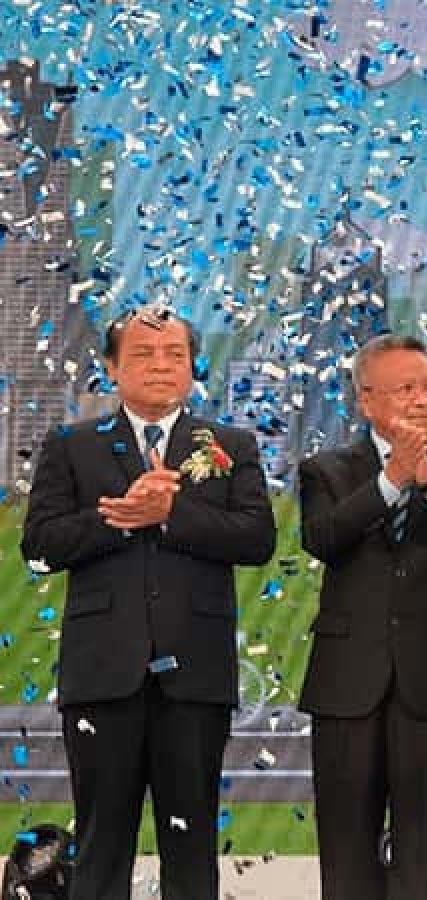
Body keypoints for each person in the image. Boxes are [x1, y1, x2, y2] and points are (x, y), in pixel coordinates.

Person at [21, 305, 276, 900]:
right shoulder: (72, 446)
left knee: (192, 850)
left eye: (174, 355)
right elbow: (40, 547)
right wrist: (122, 518)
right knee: (101, 845)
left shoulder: (229, 445)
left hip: (195, 677)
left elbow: (256, 539)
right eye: (142, 354)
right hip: (103, 676)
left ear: (192, 366)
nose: (160, 365)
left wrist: (171, 513)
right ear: (112, 368)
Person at [297, 333, 427, 899]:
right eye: (406, 388)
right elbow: (324, 538)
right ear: (367, 400)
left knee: (425, 848)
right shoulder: (326, 470)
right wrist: (391, 479)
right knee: (347, 850)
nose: (422, 399)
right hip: (348, 682)